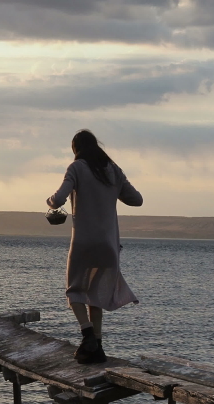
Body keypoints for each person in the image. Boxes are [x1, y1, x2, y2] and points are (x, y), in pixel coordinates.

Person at [47, 129, 143, 364]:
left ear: (76, 149)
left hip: (84, 242)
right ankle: (96, 348)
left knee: (74, 291)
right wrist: (112, 189)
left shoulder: (77, 167)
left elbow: (58, 200)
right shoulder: (113, 170)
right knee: (95, 295)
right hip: (108, 245)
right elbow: (137, 200)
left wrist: (50, 201)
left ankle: (87, 334)